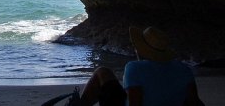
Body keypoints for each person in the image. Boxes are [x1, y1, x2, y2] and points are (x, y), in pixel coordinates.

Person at [74, 26, 204, 106]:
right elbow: (195, 102)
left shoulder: (135, 68)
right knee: (105, 73)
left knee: (102, 72)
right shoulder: (183, 70)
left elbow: (134, 103)